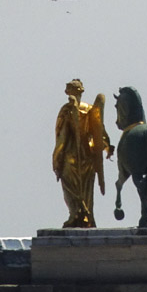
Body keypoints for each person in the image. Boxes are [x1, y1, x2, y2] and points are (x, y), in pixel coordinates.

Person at [52, 79, 113, 228]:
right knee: (86, 189)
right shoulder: (91, 109)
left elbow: (62, 138)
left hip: (70, 157)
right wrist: (107, 147)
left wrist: (56, 158)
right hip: (88, 157)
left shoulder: (66, 110)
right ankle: (87, 217)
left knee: (70, 188)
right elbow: (100, 131)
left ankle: (75, 215)